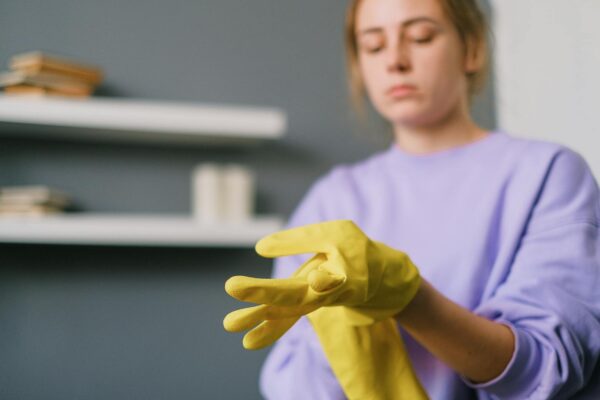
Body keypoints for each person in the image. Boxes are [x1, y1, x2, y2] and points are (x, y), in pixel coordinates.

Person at [224, 0, 600, 398]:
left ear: (471, 49)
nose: (396, 62)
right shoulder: (330, 201)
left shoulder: (546, 174)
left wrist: (410, 297)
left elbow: (547, 366)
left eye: (420, 37)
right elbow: (291, 387)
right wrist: (335, 329)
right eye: (373, 46)